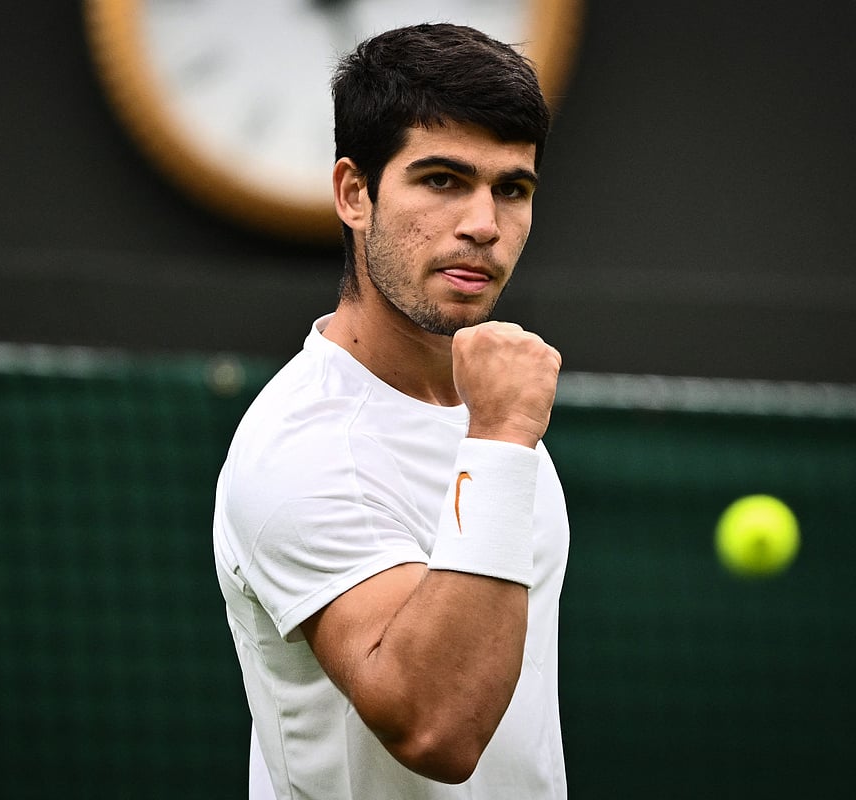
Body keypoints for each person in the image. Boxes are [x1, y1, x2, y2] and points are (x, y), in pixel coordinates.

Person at [213, 22, 569, 799]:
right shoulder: (302, 447)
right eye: (442, 179)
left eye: (513, 188)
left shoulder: (487, 412)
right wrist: (504, 437)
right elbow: (438, 727)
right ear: (354, 194)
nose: (484, 224)